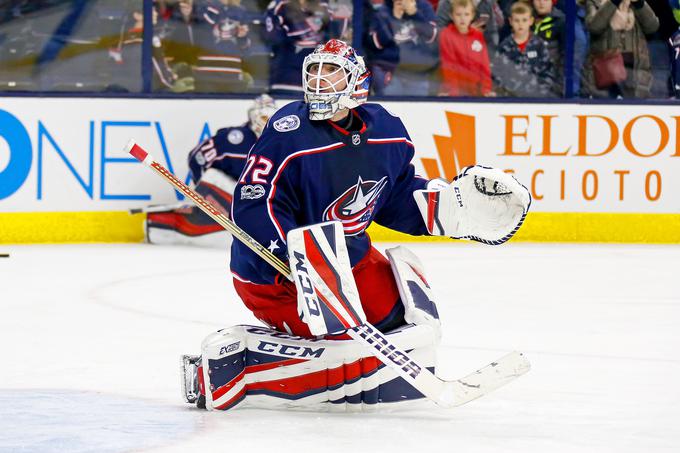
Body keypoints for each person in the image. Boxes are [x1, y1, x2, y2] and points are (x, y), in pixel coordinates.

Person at [179, 39, 531, 411]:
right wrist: (291, 259)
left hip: (350, 260)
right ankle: (239, 367)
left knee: (404, 327)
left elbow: (393, 197)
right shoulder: (287, 132)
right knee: (339, 343)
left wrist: (449, 208)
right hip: (275, 276)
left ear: (356, 82)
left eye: (330, 72)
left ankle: (360, 372)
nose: (318, 81)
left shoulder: (387, 132)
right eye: (313, 72)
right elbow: (254, 204)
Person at [145, 94, 278, 246]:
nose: (266, 124)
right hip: (231, 197)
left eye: (269, 119)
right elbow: (197, 157)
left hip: (257, 203)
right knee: (214, 177)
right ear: (253, 117)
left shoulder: (279, 143)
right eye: (263, 118)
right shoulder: (233, 139)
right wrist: (201, 190)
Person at [583, 0, 659, 99]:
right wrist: (614, 2)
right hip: (606, 72)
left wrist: (639, 3)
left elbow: (652, 27)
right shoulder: (594, 2)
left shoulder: (634, 3)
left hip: (635, 71)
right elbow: (594, 26)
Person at [365, 0, 439, 95]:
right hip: (390, 71)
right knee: (387, 107)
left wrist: (415, 14)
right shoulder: (383, 10)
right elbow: (376, 43)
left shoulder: (424, 7)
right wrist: (394, 19)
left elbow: (432, 37)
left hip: (417, 72)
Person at [493, 1, 556, 97]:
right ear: (510, 21)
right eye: (517, 20)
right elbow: (497, 75)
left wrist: (540, 92)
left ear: (531, 21)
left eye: (524, 20)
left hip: (536, 98)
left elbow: (548, 72)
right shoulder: (504, 47)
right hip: (510, 99)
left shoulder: (539, 45)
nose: (520, 24)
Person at [438, 0, 493, 96]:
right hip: (454, 92)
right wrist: (453, 94)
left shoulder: (478, 35)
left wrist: (486, 90)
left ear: (472, 16)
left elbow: (484, 65)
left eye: (466, 14)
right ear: (451, 16)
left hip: (475, 91)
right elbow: (449, 65)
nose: (462, 18)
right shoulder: (446, 35)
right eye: (458, 14)